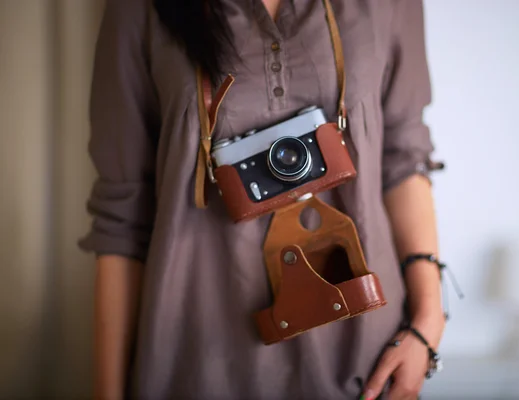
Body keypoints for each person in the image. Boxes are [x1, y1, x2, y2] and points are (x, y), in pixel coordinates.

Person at [79, 0, 446, 399]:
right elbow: (122, 213)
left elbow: (404, 160)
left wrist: (429, 321)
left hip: (366, 358)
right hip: (196, 359)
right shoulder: (139, 9)